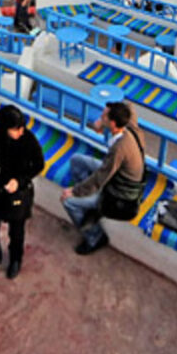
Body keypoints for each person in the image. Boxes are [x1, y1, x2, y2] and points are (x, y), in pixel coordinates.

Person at [61, 101, 146, 255]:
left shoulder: (119, 148)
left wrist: (75, 191)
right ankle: (89, 202)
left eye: (104, 115)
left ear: (113, 123)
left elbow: (101, 177)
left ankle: (95, 237)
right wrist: (104, 121)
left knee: (68, 202)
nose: (101, 115)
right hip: (116, 175)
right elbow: (129, 105)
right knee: (76, 160)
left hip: (119, 194)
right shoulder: (130, 125)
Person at [0, 104, 44, 279]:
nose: (20, 132)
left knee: (16, 231)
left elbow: (39, 165)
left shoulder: (28, 140)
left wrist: (18, 181)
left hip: (18, 193)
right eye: (16, 129)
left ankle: (15, 260)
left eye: (21, 128)